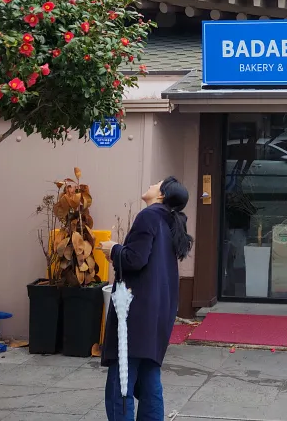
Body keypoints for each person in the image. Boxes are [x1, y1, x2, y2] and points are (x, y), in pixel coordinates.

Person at [99, 177, 194, 421]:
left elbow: (135, 259)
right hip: (159, 309)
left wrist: (113, 249)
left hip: (136, 310)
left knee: (122, 381)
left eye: (157, 183)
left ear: (161, 195)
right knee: (149, 377)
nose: (151, 185)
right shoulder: (170, 221)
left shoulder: (149, 216)